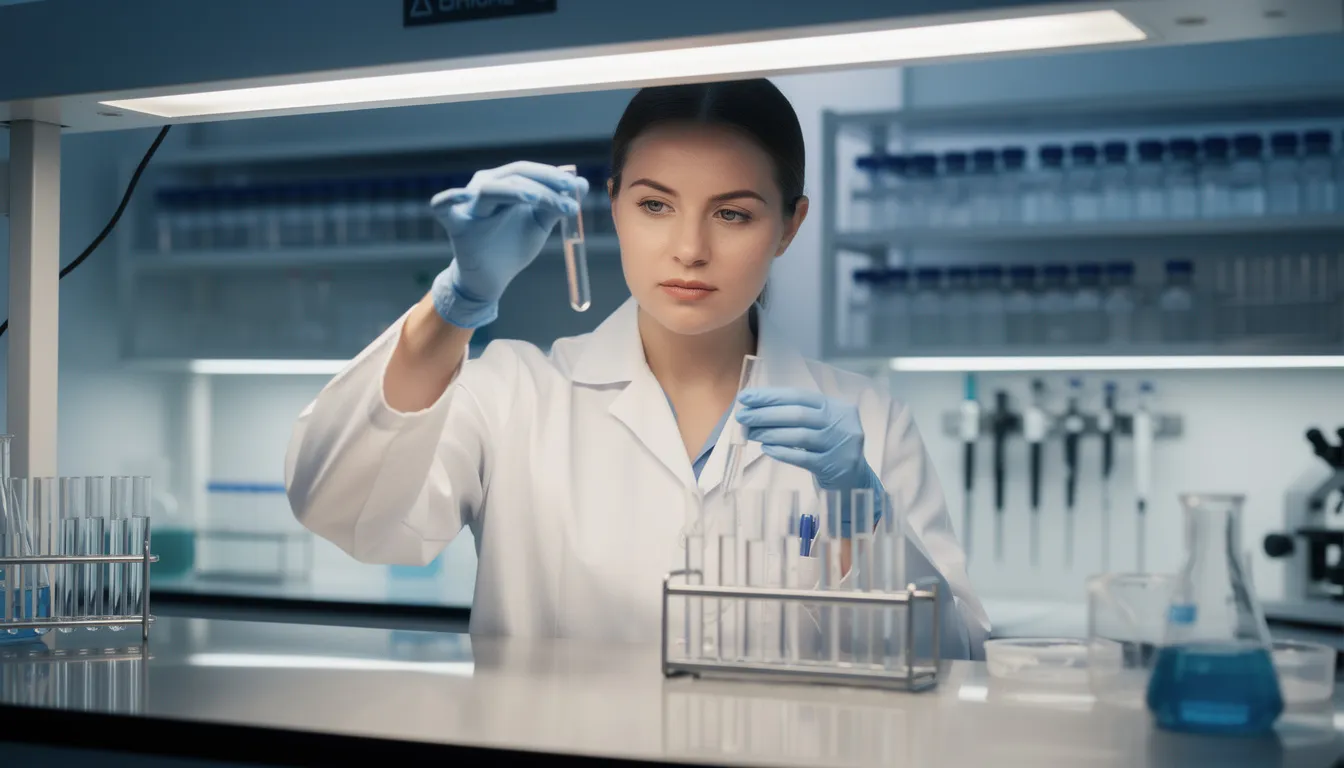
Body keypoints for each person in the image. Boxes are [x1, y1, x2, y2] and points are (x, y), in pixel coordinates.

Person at [285, 78, 990, 658]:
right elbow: (345, 511)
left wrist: (856, 510)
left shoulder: (866, 425)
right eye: (655, 204)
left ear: (790, 225)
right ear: (612, 204)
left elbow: (949, 661)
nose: (689, 248)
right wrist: (457, 304)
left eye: (734, 215)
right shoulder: (518, 394)